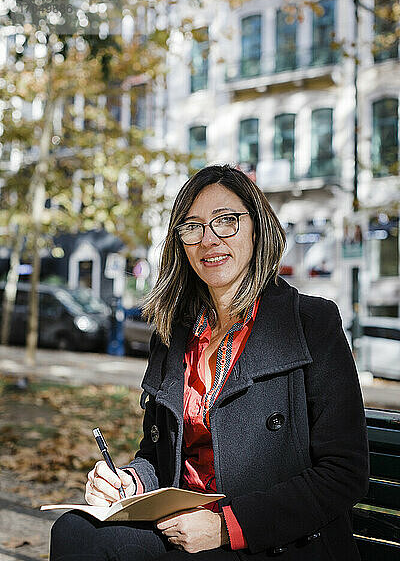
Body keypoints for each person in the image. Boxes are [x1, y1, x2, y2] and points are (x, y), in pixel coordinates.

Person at [50, 165, 369, 561]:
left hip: (273, 538)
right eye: (193, 226)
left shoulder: (311, 323)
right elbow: (160, 455)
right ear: (180, 242)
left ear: (258, 228)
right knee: (76, 532)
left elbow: (344, 472)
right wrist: (131, 483)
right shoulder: (174, 333)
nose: (209, 239)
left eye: (227, 221)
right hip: (182, 526)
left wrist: (227, 526)